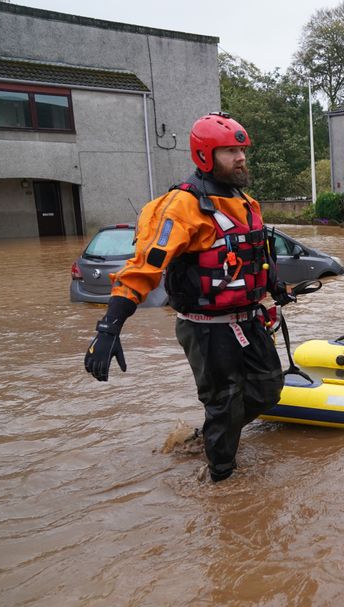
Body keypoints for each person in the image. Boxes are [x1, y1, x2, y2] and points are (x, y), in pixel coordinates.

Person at [84, 111, 292, 482]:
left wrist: (276, 289)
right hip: (206, 327)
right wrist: (108, 328)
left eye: (242, 150)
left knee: (268, 390)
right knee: (224, 401)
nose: (240, 158)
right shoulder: (179, 207)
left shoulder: (246, 202)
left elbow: (258, 255)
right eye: (229, 151)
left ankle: (215, 433)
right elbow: (142, 269)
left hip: (247, 319)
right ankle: (221, 482)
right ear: (204, 156)